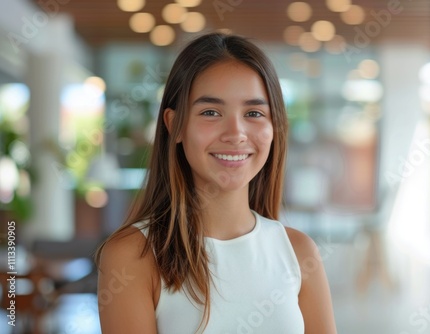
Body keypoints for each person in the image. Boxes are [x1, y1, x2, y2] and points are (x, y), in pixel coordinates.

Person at [95, 32, 337, 334]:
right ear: (175, 125)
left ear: (274, 127)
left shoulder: (300, 252)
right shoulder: (133, 255)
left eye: (253, 113)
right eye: (211, 112)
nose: (235, 133)